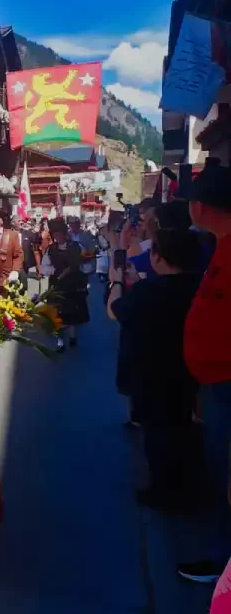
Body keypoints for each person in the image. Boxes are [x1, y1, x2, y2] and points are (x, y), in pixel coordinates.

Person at [106, 213, 202, 511]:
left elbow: (114, 311)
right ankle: (187, 486)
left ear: (159, 257)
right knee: (184, 431)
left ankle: (165, 493)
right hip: (191, 373)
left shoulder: (150, 291)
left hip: (153, 375)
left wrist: (118, 282)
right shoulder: (199, 285)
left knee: (159, 437)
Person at [179, 158, 231, 584]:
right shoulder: (221, 246)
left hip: (227, 386)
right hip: (214, 383)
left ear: (205, 207)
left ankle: (222, 564)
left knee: (227, 476)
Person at [40, 218, 89, 350]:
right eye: (54, 234)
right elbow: (44, 268)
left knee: (73, 312)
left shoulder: (76, 246)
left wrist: (83, 276)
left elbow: (86, 264)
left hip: (73, 284)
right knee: (58, 314)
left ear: (64, 233)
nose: (57, 236)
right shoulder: (50, 250)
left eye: (59, 233)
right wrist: (56, 271)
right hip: (58, 286)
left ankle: (73, 336)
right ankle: (60, 341)